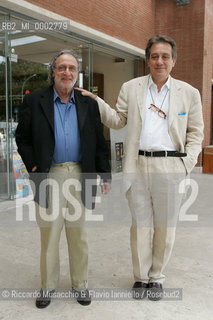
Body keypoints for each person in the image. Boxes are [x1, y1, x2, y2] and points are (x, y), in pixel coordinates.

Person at [77, 35, 204, 301]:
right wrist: (96, 101)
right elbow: (117, 120)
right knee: (140, 226)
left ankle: (156, 277)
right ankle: (141, 276)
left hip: (171, 165)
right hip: (138, 164)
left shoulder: (189, 93)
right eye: (155, 56)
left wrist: (186, 163)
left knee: (165, 227)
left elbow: (196, 133)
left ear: (173, 61)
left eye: (165, 56)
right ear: (148, 60)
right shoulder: (131, 87)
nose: (160, 61)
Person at [15, 49, 111, 308]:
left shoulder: (88, 104)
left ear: (77, 74)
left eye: (71, 68)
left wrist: (104, 174)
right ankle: (47, 287)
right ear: (53, 72)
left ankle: (81, 285)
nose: (66, 72)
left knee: (78, 235)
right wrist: (34, 166)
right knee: (50, 234)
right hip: (50, 173)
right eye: (62, 67)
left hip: (80, 172)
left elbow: (99, 142)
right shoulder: (35, 100)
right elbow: (21, 137)